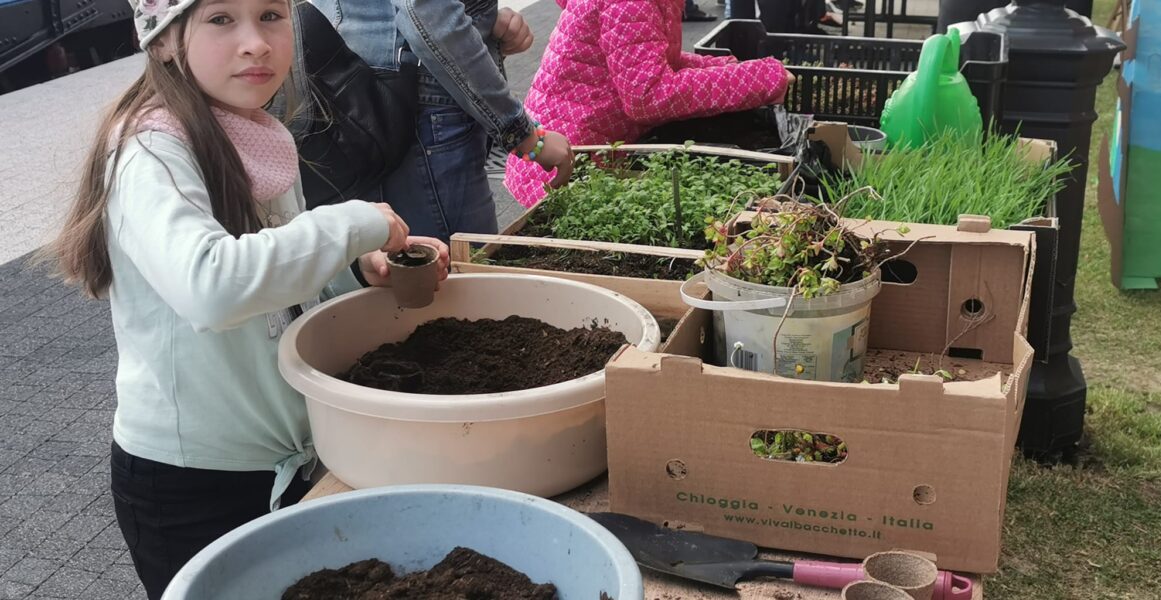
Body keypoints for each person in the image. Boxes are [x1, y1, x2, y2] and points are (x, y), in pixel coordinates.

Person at [40, 0, 448, 597]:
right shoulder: (149, 152)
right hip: (192, 484)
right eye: (221, 20)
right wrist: (349, 225)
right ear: (162, 42)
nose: (255, 42)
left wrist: (359, 270)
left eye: (271, 15)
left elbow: (282, 274)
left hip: (283, 462)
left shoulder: (251, 129)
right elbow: (212, 288)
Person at [310, 0, 575, 242]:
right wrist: (527, 137)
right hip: (424, 105)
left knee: (407, 267)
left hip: (362, 90)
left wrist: (478, 18)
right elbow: (427, 14)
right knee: (463, 274)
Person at [503, 0, 794, 207]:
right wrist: (759, 80)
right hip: (560, 160)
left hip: (578, 150)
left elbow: (656, 61)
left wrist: (732, 69)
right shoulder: (631, 3)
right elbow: (647, 96)